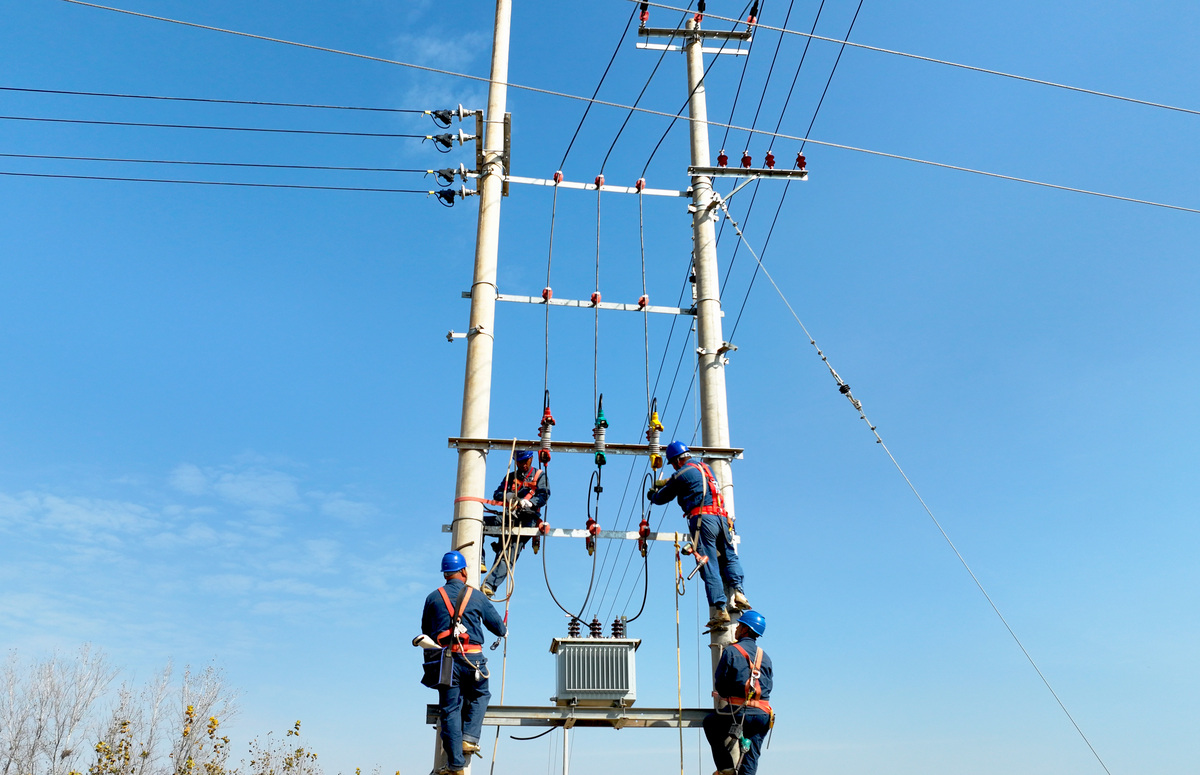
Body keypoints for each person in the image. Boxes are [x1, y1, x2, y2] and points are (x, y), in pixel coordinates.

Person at [420, 551, 507, 775]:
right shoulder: (476, 596)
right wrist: (503, 627)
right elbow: (499, 628)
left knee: (450, 709)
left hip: (447, 661)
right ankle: (469, 737)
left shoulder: (433, 598)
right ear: (464, 571)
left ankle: (455, 765)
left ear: (445, 574)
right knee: (480, 695)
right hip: (473, 659)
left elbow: (426, 632)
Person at [647, 440, 750, 631]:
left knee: (708, 562)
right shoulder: (704, 467)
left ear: (676, 461)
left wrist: (653, 495)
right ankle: (739, 593)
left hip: (703, 521)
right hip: (721, 518)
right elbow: (682, 478)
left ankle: (720, 608)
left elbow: (663, 497)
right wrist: (668, 480)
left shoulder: (681, 474)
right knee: (729, 556)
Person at [703, 610, 774, 775]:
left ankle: (726, 768)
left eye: (739, 625)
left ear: (745, 630)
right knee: (751, 755)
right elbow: (768, 686)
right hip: (762, 714)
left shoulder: (731, 651)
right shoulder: (766, 657)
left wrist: (725, 695)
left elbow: (720, 682)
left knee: (711, 723)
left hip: (738, 712)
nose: (735, 628)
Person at [482, 450, 550, 597]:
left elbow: (544, 495)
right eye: (519, 462)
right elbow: (497, 493)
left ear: (531, 459)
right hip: (508, 517)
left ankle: (489, 585)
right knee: (478, 523)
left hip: (527, 520)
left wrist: (531, 503)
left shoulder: (539, 476)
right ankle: (479, 560)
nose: (522, 464)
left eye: (525, 461)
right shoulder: (511, 476)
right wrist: (507, 495)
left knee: (508, 552)